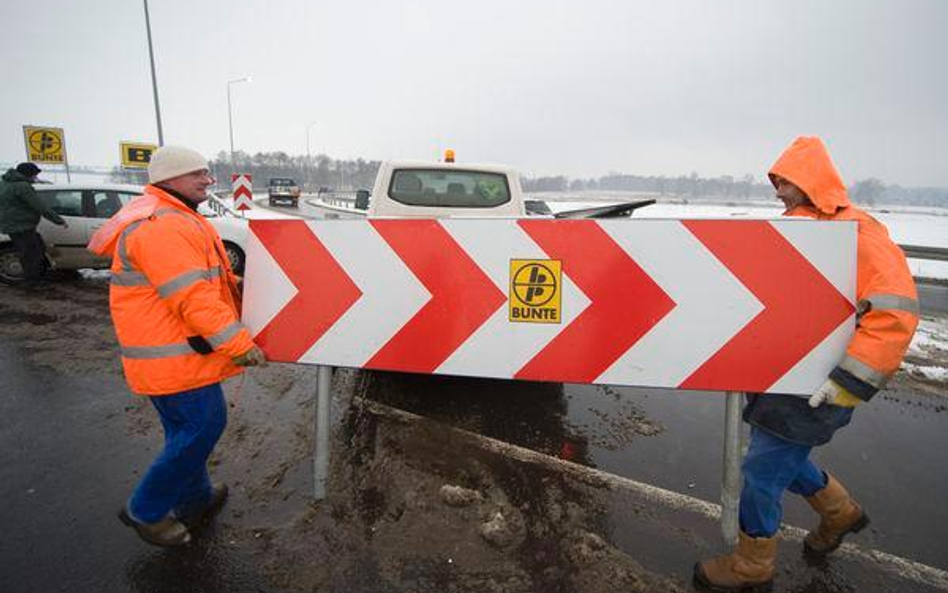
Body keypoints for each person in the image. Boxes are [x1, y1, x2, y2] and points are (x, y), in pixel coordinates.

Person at [694, 136, 919, 591]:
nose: (777, 190)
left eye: (785, 181)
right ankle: (841, 513)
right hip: (781, 378)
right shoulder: (793, 230)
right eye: (775, 182)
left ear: (811, 180)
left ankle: (753, 563)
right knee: (780, 458)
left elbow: (896, 310)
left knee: (759, 471)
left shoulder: (857, 232)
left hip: (823, 382)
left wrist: (851, 380)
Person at [88, 145, 267, 547]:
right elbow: (190, 296)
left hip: (174, 353)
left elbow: (202, 283)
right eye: (196, 174)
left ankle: (195, 499)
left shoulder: (174, 217)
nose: (207, 179)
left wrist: (243, 289)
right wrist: (238, 343)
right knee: (204, 424)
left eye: (206, 172)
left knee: (186, 430)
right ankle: (145, 510)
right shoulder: (162, 226)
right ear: (168, 180)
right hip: (173, 357)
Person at [0, 162, 67, 285]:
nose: (35, 178)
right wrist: (59, 220)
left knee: (36, 249)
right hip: (21, 226)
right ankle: (32, 281)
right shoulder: (22, 187)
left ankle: (36, 276)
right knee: (31, 253)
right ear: (28, 174)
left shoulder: (5, 184)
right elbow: (40, 206)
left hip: (13, 224)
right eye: (34, 175)